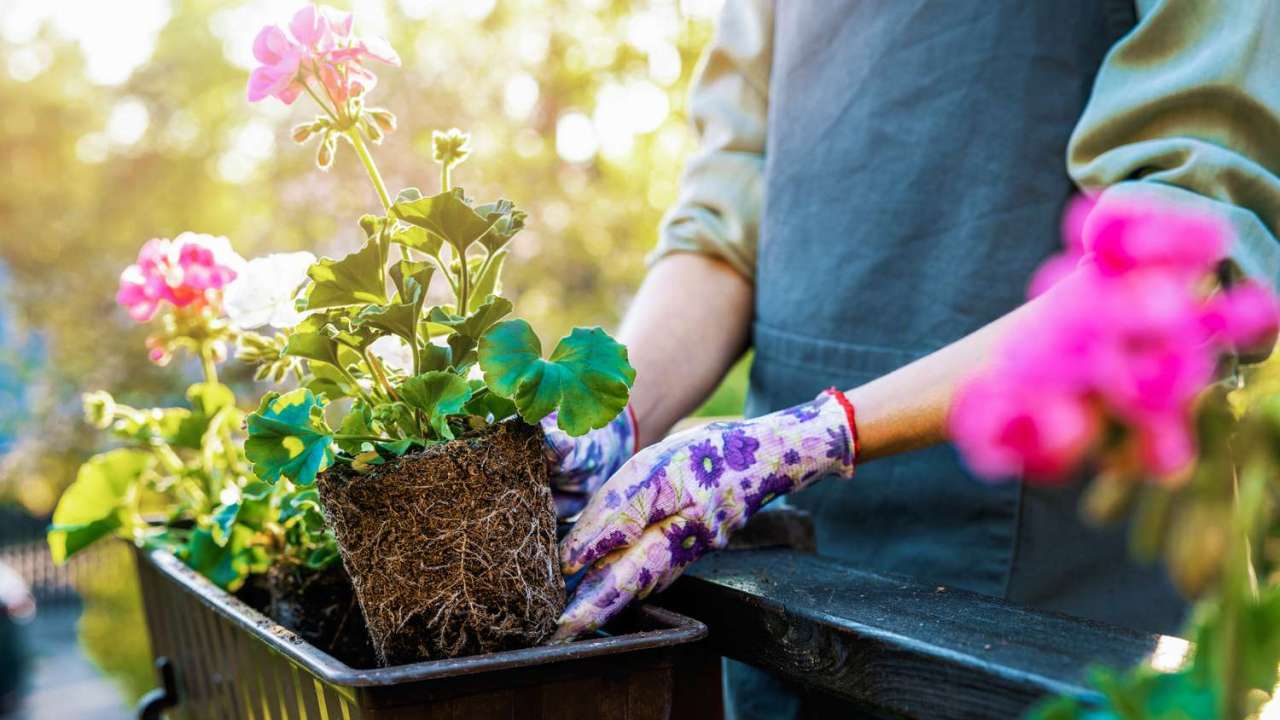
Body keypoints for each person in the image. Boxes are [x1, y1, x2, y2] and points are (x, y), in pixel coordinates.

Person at [541, 1, 1280, 716]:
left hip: (1042, 594)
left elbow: (1178, 256)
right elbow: (722, 229)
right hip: (780, 568)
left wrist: (810, 438)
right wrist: (611, 418)